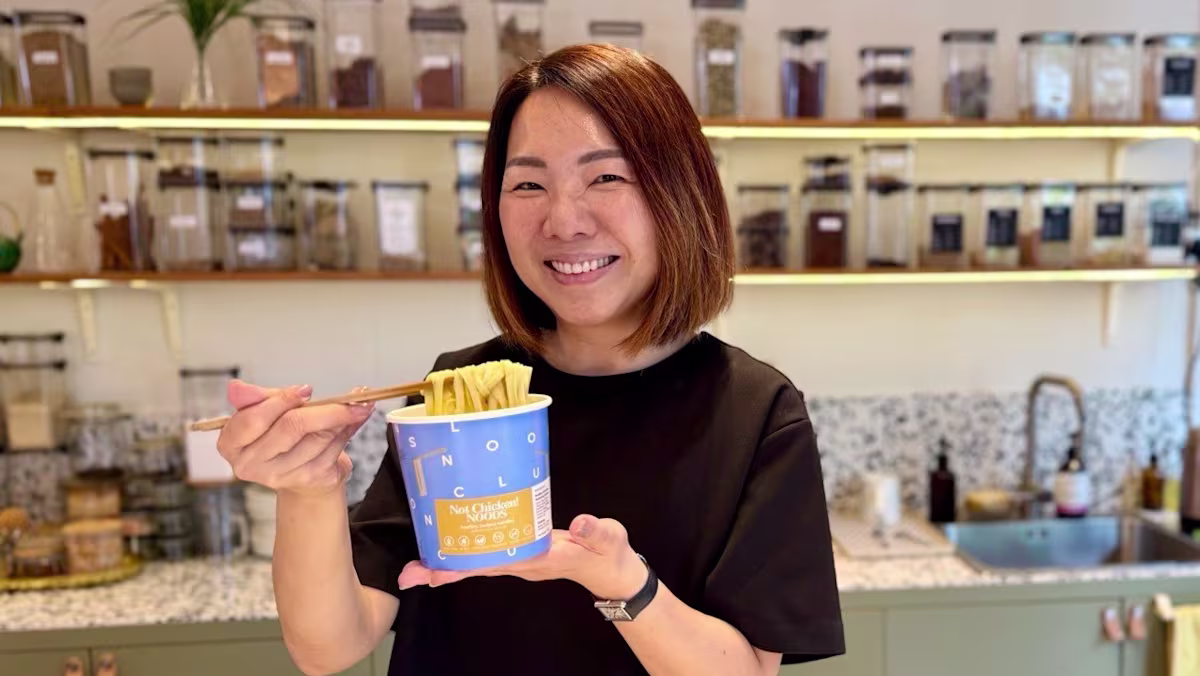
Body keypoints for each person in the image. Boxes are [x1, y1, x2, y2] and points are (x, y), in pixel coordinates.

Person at [217, 44, 844, 676]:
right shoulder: (457, 397)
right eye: (528, 184)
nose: (564, 222)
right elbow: (327, 647)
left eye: (606, 177)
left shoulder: (755, 413)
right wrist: (308, 489)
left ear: (680, 193)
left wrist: (620, 583)